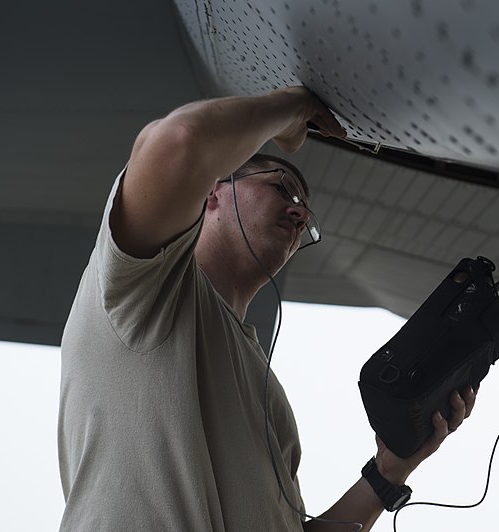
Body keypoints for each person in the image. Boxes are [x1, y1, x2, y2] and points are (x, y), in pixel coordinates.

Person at [58, 86, 477, 531]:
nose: (301, 217)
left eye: (307, 218)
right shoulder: (147, 289)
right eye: (284, 191)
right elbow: (180, 139)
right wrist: (295, 109)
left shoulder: (263, 387)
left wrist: (388, 473)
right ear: (212, 193)